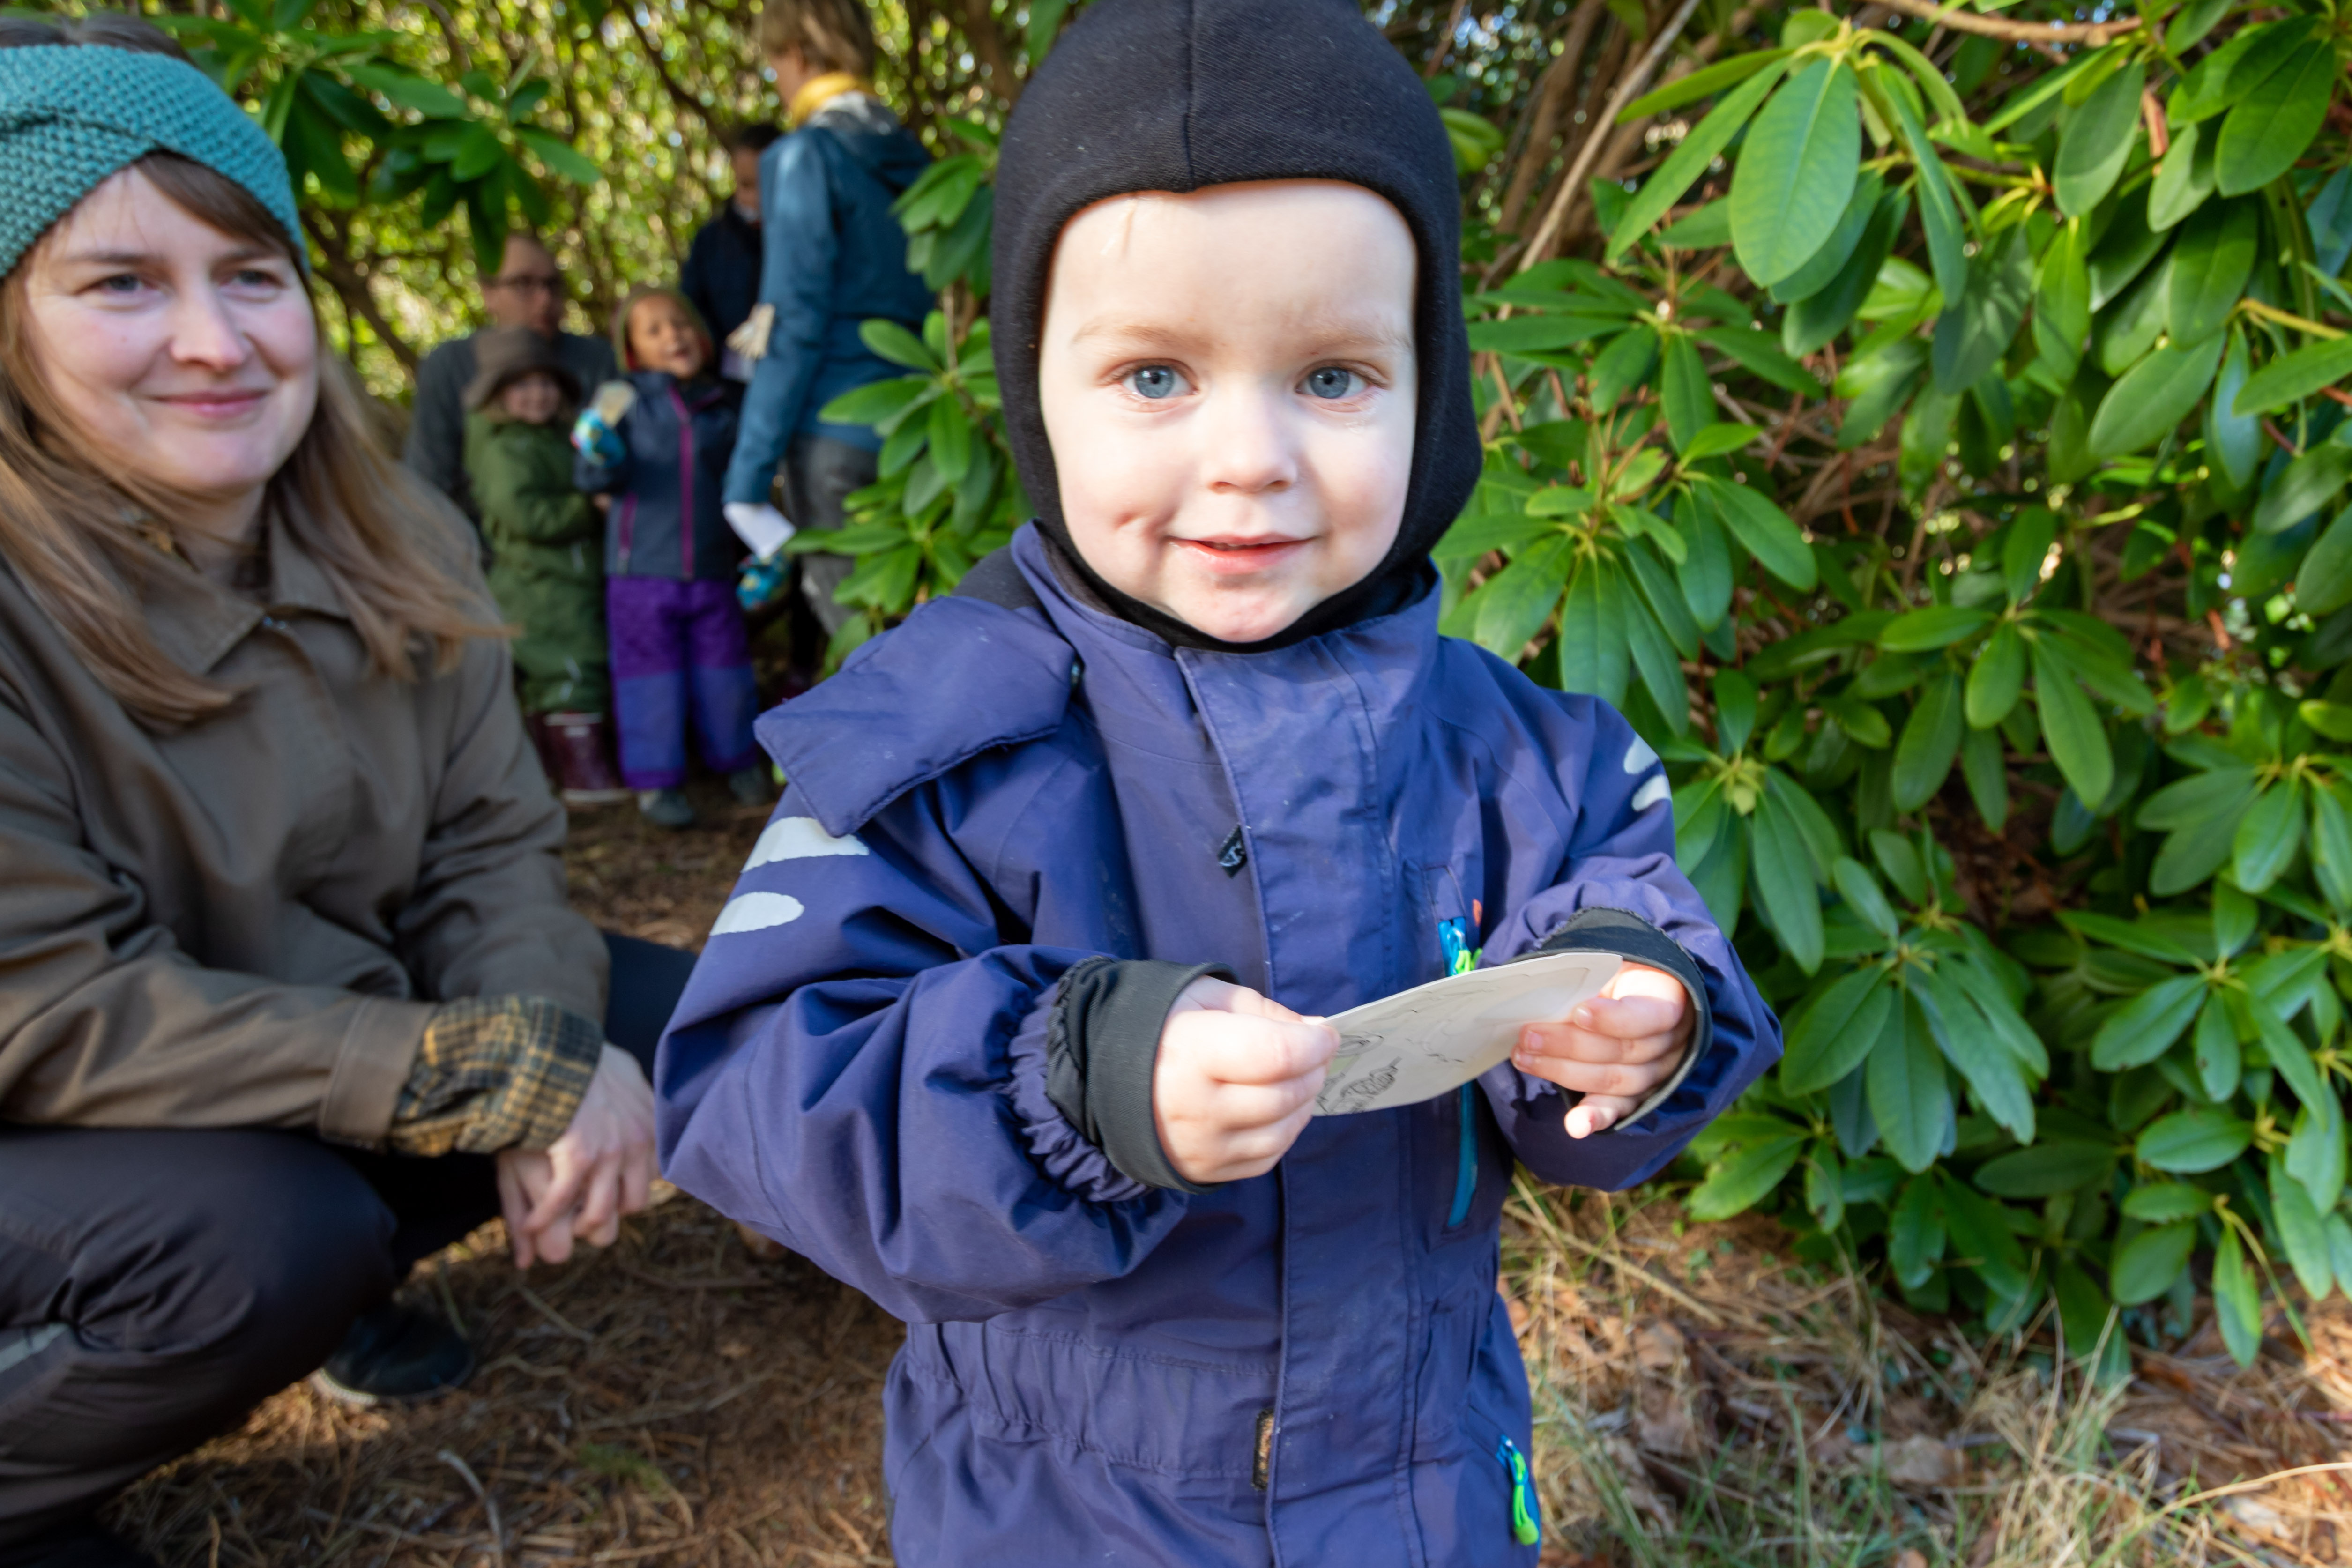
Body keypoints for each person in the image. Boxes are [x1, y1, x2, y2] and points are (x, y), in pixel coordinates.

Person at [656, 1, 1781, 1563]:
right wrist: (1069, 1078)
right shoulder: (943, 740)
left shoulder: (1523, 746)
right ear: (1033, 388)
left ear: (1435, 390)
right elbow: (757, 1088)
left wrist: (1635, 1011)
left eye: (1331, 375)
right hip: (1064, 1505)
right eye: (1153, 375)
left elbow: (1634, 910)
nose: (1249, 455)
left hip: (1428, 1485)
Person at [0, 20, 672, 1568]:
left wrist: (538, 1043)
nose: (214, 341)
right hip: (53, 1122)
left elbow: (490, 845)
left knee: (678, 1018)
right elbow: (49, 1010)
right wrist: (486, 1080)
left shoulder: (404, 534)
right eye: (122, 284)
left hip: (283, 1059)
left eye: (251, 274)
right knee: (253, 1242)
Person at [720, 0, 931, 639]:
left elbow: (793, 321)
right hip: (920, 435)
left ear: (798, 54)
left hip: (834, 435)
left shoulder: (803, 156)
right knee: (928, 639)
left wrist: (747, 478)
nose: (778, 82)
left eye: (775, 65)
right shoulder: (917, 161)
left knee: (868, 654)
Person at [575, 287, 767, 831]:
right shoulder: (619, 399)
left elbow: (748, 482)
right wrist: (599, 453)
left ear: (701, 333)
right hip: (638, 575)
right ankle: (656, 783)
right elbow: (590, 475)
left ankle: (739, 763)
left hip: (712, 568)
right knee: (649, 680)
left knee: (725, 673)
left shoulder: (724, 404)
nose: (672, 336)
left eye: (680, 323)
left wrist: (763, 551)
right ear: (632, 348)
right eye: (654, 330)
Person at [462, 327, 628, 803]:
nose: (537, 394)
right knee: (570, 668)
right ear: (497, 394)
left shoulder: (556, 438)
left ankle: (554, 768)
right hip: (539, 584)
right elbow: (526, 515)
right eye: (521, 385)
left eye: (545, 383)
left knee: (571, 664)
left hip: (569, 578)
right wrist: (587, 507)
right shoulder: (505, 449)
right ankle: (581, 772)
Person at [403, 231, 619, 523]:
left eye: (553, 285)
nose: (545, 299)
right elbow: (429, 481)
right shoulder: (449, 364)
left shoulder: (597, 360)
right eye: (524, 284)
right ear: (488, 294)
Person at [681, 121, 782, 382]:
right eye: (747, 185)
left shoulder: (810, 238)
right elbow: (692, 310)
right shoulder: (710, 242)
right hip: (728, 384)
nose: (757, 198)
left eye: (768, 185)